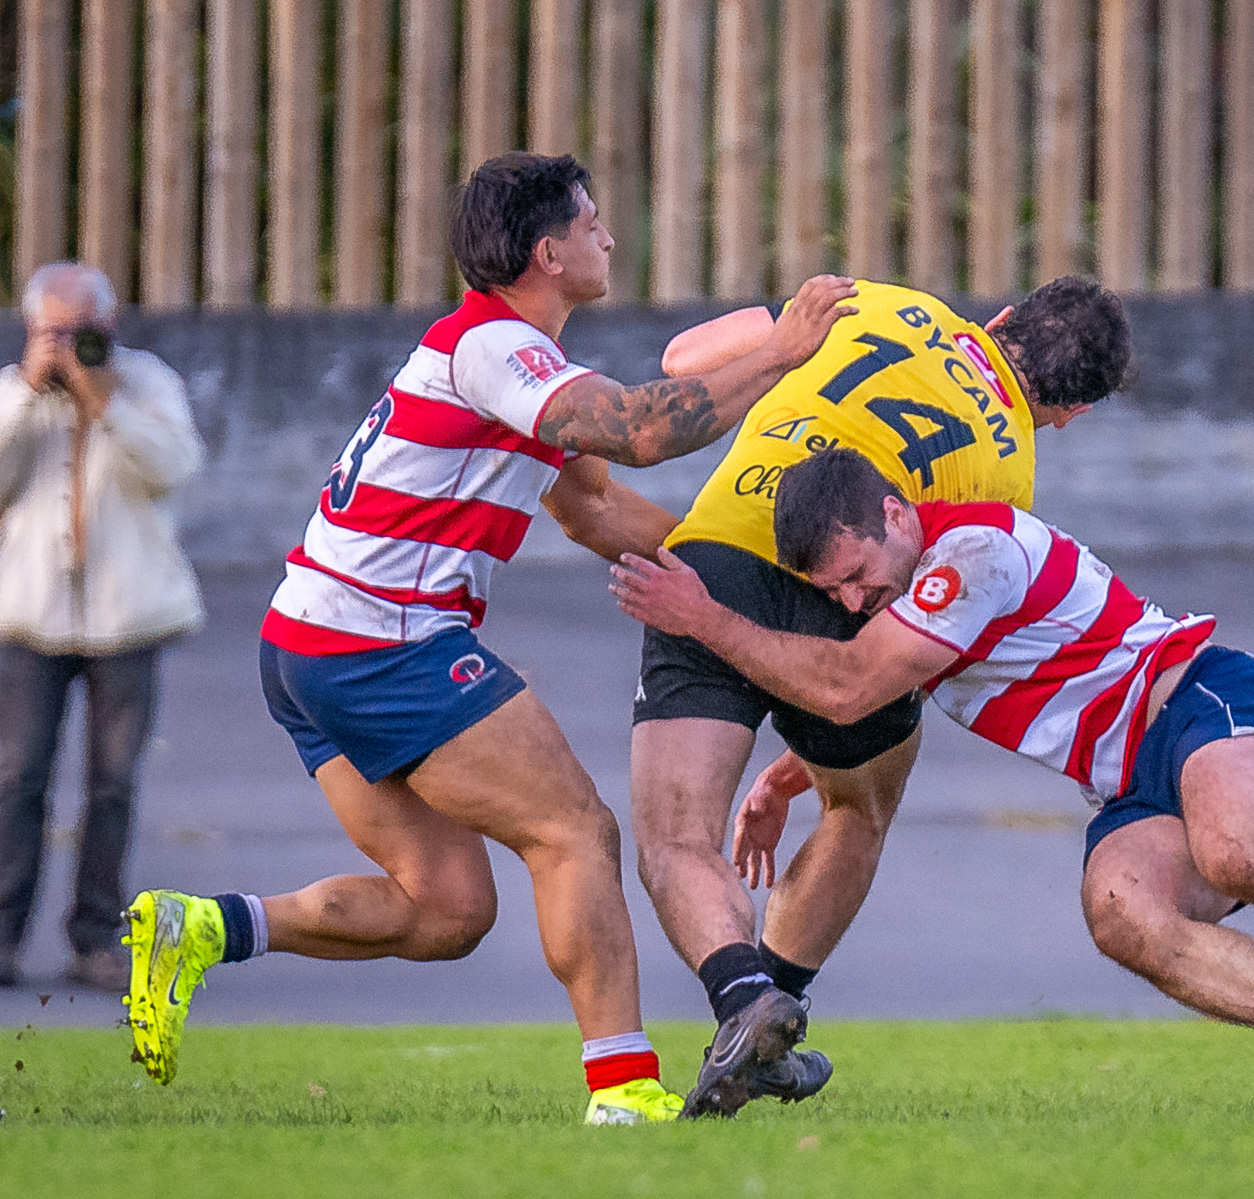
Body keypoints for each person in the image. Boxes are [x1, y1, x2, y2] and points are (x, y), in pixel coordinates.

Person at [121, 152, 856, 1126]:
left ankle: (203, 925)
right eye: (591, 221)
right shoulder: (494, 349)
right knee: (577, 829)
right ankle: (624, 1090)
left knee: (447, 909)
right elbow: (636, 427)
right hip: (382, 641)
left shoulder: (517, 367)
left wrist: (746, 568)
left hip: (307, 641)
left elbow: (595, 512)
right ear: (548, 251)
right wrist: (780, 350)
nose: (606, 236)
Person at [610, 448, 1254, 1117]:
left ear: (897, 517)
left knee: (1238, 849)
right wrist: (788, 773)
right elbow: (885, 676)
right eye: (838, 596)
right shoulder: (912, 588)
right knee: (1121, 911)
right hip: (1133, 783)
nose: (856, 601)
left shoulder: (968, 552)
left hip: (1209, 700)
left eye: (859, 575)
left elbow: (854, 681)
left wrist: (705, 617)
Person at [562, 276, 1129, 1117]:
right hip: (849, 602)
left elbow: (685, 359)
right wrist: (798, 766)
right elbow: (890, 657)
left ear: (1003, 316)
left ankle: (746, 1001)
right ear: (1074, 412)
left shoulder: (885, 300)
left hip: (717, 553)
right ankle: (773, 1009)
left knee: (677, 836)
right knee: (856, 811)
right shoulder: (1006, 479)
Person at [0, 263, 205, 993]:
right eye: (51, 330)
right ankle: (3, 936)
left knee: (112, 786)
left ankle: (95, 937)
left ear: (108, 326)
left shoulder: (148, 385)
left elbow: (175, 465)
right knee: (16, 780)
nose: (66, 345)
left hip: (128, 618)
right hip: (29, 618)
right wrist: (31, 390)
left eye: (79, 330)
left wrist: (103, 400)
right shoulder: (13, 394)